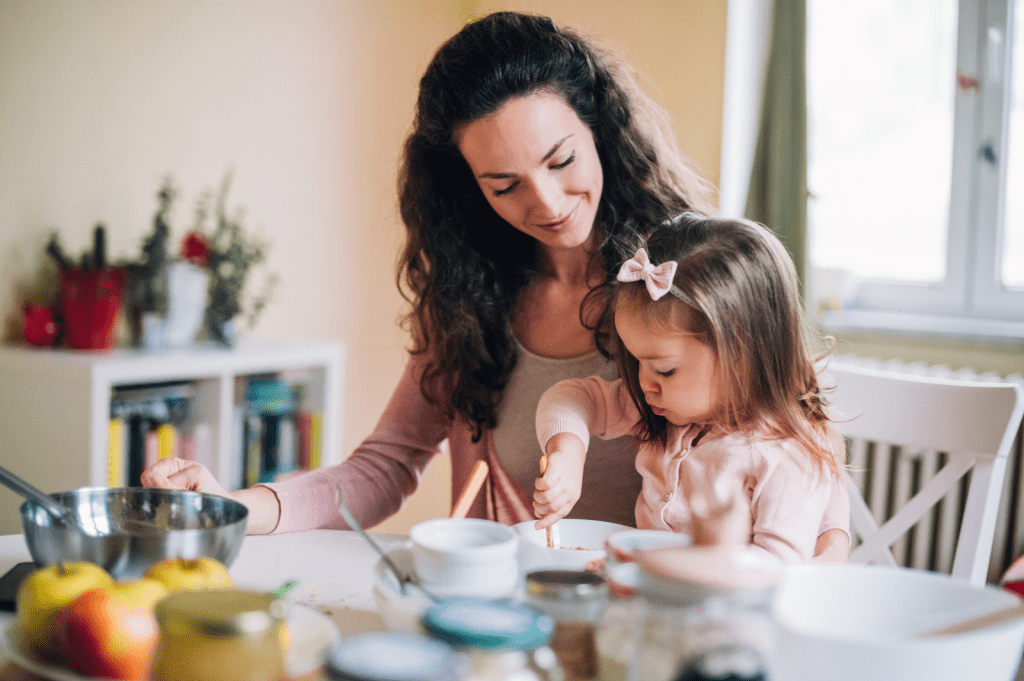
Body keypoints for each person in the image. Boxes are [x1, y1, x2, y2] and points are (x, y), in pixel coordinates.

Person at [141, 11, 850, 558]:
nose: (544, 202)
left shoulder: (685, 287)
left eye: (561, 159)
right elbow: (383, 467)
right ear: (469, 189)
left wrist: (822, 549)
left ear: (601, 131)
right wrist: (238, 506)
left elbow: (799, 447)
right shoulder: (469, 302)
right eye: (504, 185)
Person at [533, 213, 848, 563]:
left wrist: (679, 572)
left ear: (741, 357)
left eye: (665, 370)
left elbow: (777, 571)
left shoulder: (783, 456)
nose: (644, 383)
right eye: (638, 362)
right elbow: (570, 398)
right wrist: (568, 454)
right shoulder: (667, 410)